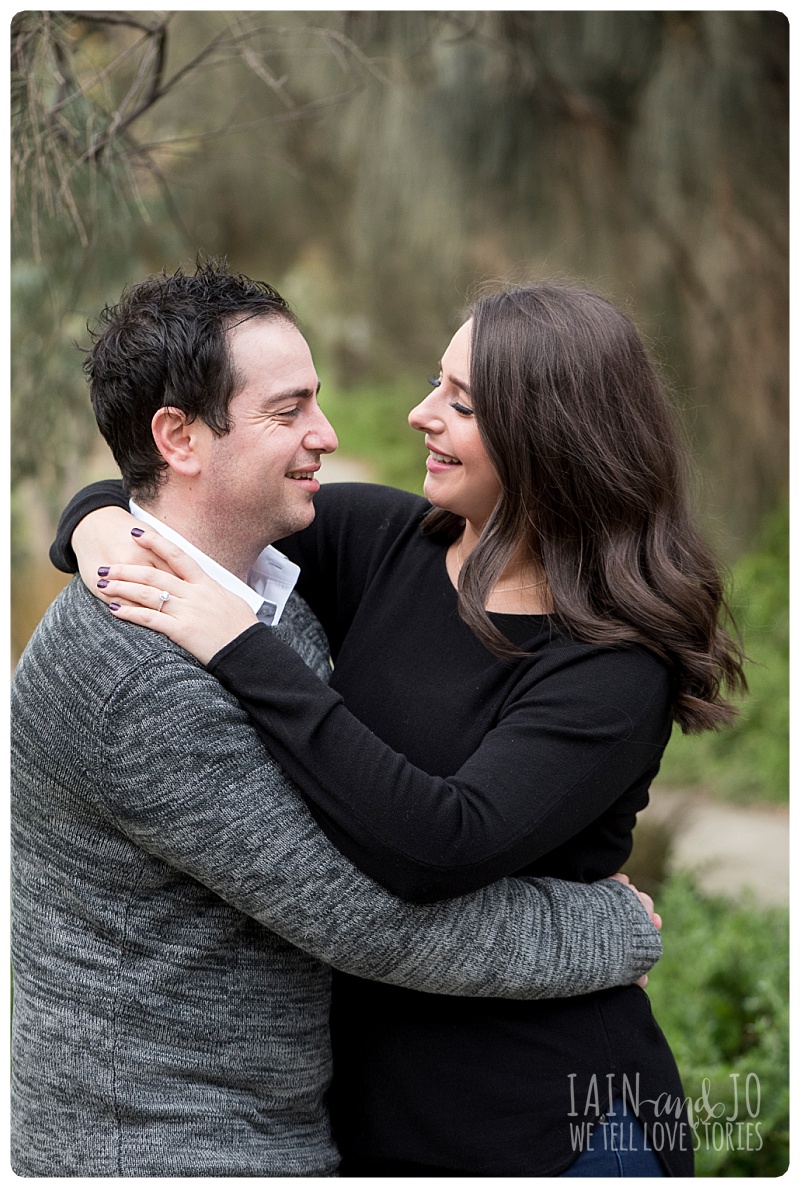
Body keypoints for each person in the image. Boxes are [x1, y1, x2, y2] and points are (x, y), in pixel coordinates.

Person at [11, 262, 664, 1178]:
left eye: (461, 399)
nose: (409, 414)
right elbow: (365, 916)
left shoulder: (607, 666)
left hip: (546, 1120)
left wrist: (219, 623)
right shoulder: (369, 553)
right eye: (290, 409)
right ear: (183, 435)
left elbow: (435, 846)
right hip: (229, 1138)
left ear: (550, 436)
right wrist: (100, 531)